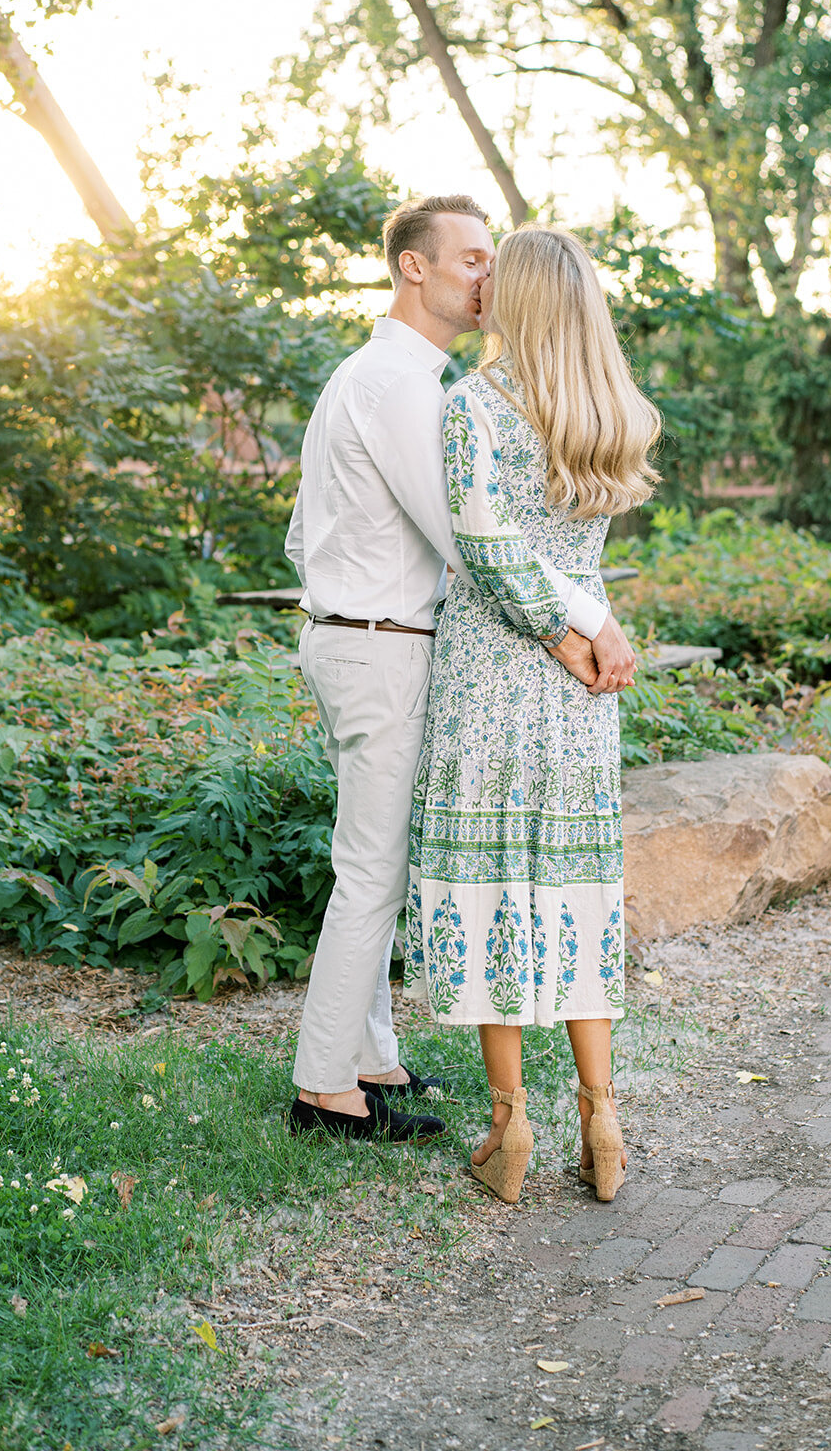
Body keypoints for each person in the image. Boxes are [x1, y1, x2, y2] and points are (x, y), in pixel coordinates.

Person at [284, 195, 639, 1142]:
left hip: (359, 635)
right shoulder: (408, 389)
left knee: (373, 862)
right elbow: (476, 536)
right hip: (387, 643)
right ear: (416, 268)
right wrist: (580, 624)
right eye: (473, 259)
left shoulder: (370, 374)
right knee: (372, 871)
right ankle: (325, 1089)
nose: (488, 277)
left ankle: (368, 1059)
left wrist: (341, 606)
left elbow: (299, 535)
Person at [404, 223, 661, 1199]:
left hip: (492, 681)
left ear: (512, 299)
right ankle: (602, 1122)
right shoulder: (611, 409)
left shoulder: (469, 405)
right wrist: (594, 628)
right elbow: (572, 550)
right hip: (583, 693)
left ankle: (508, 1128)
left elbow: (489, 547)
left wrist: (561, 629)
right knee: (574, 889)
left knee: (490, 894)